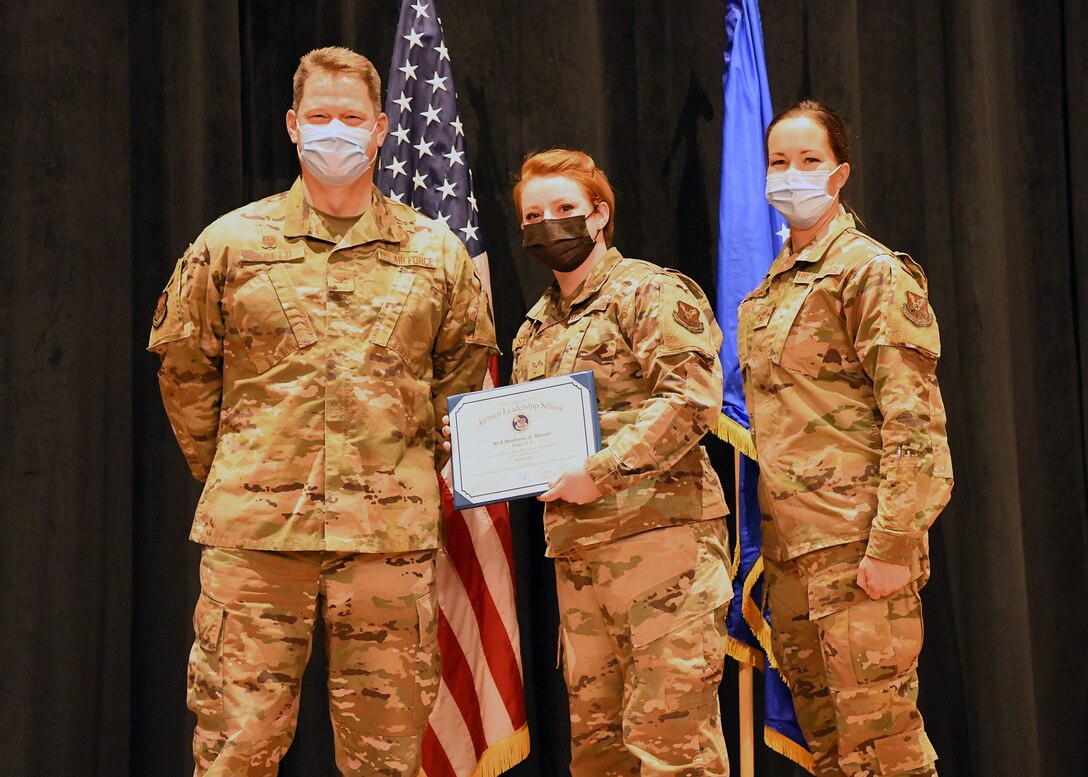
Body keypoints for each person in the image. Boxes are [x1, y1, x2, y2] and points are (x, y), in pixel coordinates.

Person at [147, 46, 496, 776]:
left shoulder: (436, 254)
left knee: (386, 756)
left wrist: (396, 474)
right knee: (235, 748)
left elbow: (459, 386)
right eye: (320, 116)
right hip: (256, 545)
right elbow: (185, 369)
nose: (334, 130)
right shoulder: (231, 245)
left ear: (380, 130)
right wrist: (245, 469)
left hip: (386, 545)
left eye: (350, 118)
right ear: (292, 126)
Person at [738, 100, 953, 776]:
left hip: (858, 549)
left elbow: (913, 418)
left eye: (809, 161)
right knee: (830, 750)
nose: (790, 175)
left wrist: (892, 544)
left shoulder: (871, 271)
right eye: (779, 162)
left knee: (882, 749)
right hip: (794, 556)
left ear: (840, 174)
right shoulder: (766, 295)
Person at [510, 149, 733, 775]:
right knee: (600, 753)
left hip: (664, 547)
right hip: (579, 556)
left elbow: (691, 400)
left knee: (673, 750)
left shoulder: (649, 291)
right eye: (533, 215)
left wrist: (601, 470)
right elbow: (523, 435)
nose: (546, 224)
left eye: (564, 210)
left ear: (599, 215)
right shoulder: (535, 329)